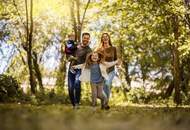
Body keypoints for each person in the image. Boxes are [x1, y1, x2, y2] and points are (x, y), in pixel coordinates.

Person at [68, 32, 92, 109]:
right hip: (71, 68)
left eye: (87, 38)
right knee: (70, 88)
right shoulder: (76, 45)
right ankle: (73, 104)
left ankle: (77, 103)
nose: (86, 39)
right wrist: (69, 57)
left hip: (80, 69)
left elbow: (87, 62)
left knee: (77, 83)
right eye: (85, 38)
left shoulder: (89, 50)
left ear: (89, 39)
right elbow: (68, 52)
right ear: (82, 38)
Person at [96, 33, 118, 105]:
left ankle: (106, 103)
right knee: (102, 87)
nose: (105, 38)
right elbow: (95, 58)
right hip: (102, 71)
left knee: (107, 84)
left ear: (109, 38)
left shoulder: (113, 48)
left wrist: (118, 63)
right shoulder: (99, 49)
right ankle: (103, 104)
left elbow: (116, 59)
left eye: (106, 36)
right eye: (103, 37)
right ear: (102, 39)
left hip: (111, 71)